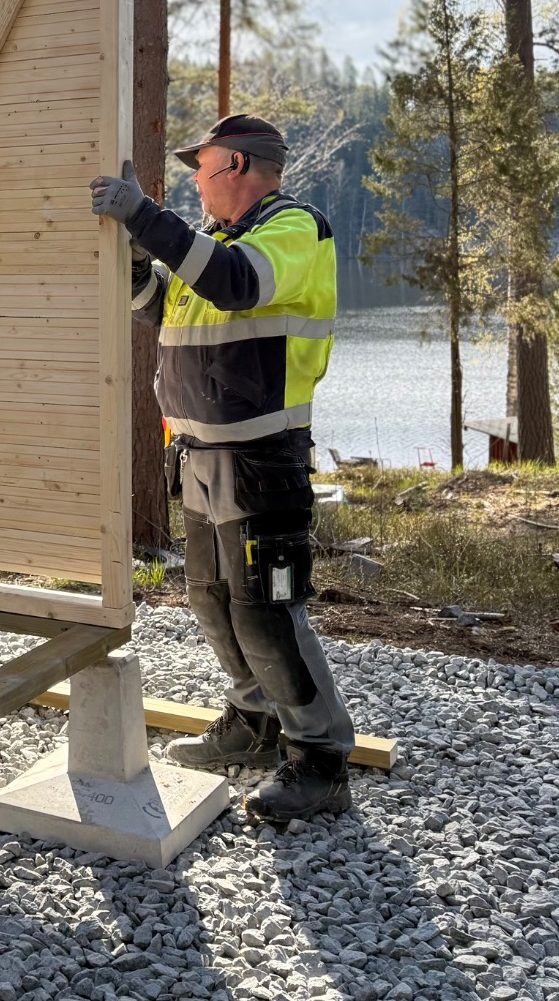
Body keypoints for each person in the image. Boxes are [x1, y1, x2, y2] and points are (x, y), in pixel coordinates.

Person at [90, 114, 356, 823]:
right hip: (201, 457)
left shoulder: (296, 230)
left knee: (267, 611)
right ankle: (254, 723)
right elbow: (159, 307)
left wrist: (146, 216)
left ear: (235, 165)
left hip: (263, 456)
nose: (194, 180)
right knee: (211, 599)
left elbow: (237, 286)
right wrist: (136, 260)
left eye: (200, 167)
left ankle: (321, 759)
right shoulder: (214, 244)